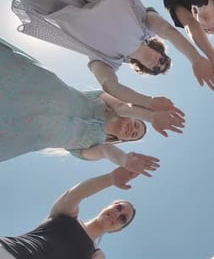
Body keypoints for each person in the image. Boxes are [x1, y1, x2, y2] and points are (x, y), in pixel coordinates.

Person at [0, 38, 182, 176]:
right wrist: (150, 116)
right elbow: (121, 106)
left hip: (21, 132)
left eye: (133, 135)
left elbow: (106, 151)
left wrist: (124, 160)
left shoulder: (94, 145)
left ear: (121, 139)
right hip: (36, 87)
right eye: (136, 124)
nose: (131, 130)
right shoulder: (104, 102)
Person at [10, 0, 214, 103]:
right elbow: (167, 29)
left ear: (144, 69)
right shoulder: (145, 25)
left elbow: (109, 86)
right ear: (160, 50)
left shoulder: (109, 60)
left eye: (156, 68)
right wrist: (196, 59)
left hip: (56, 1)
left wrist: (147, 103)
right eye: (163, 60)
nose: (158, 63)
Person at [0, 167, 140, 259]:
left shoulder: (97, 255)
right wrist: (111, 178)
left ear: (117, 229)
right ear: (107, 206)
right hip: (7, 251)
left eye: (123, 218)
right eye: (118, 207)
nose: (117, 214)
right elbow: (75, 194)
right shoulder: (68, 214)